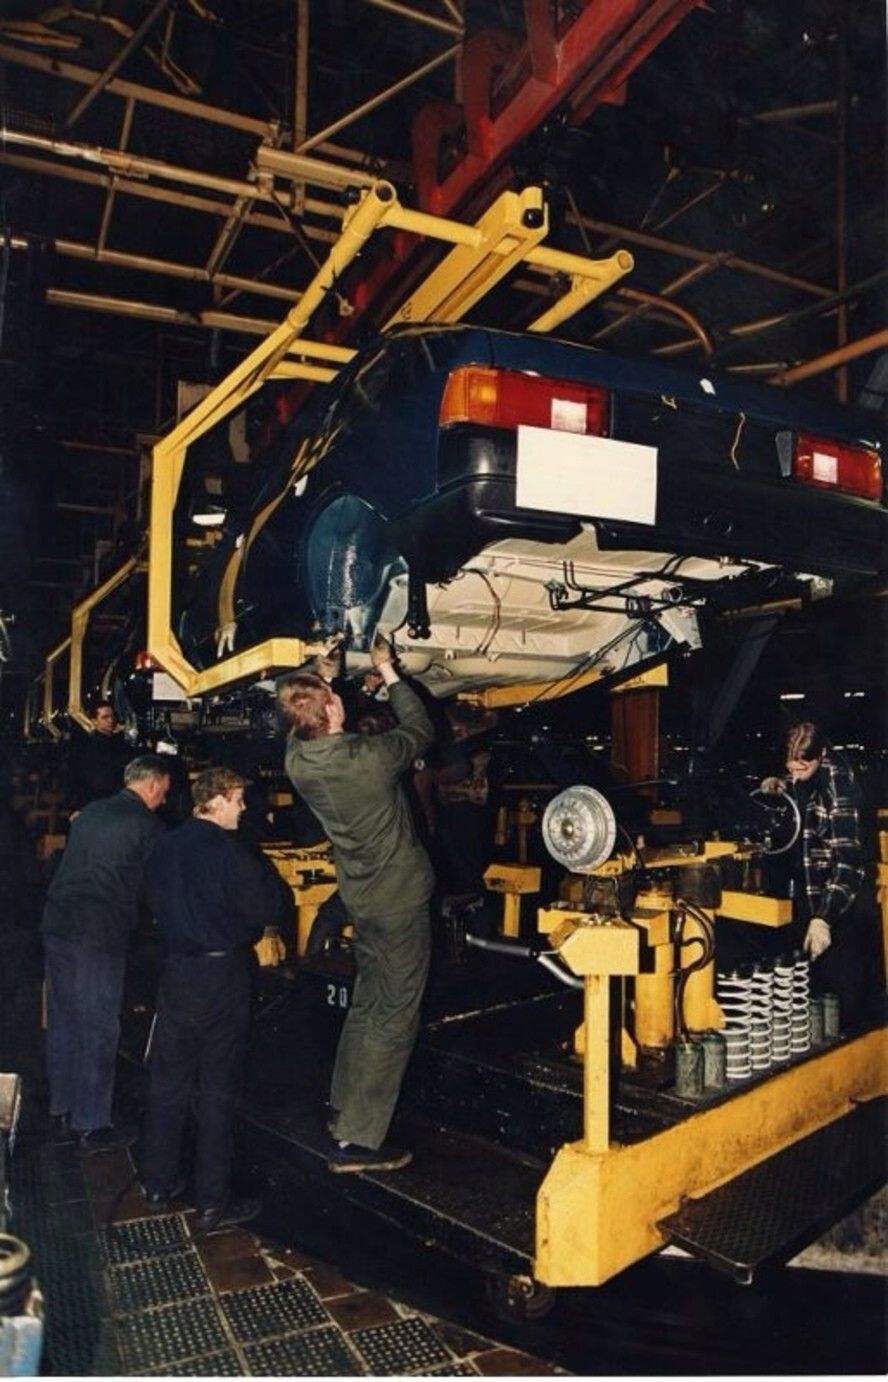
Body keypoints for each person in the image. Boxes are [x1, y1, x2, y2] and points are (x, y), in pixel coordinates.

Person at [277, 633, 435, 1174]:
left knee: (369, 1004)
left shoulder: (300, 762)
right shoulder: (367, 759)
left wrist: (325, 671)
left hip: (363, 898)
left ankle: (343, 1112)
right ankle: (360, 1140)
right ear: (332, 710)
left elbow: (302, 723)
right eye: (332, 696)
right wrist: (389, 670)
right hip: (398, 900)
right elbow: (420, 731)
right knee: (395, 1014)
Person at [139, 767, 283, 1230]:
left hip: (177, 972)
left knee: (168, 1083)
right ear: (216, 800)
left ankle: (156, 1184)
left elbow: (149, 902)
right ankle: (211, 1204)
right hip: (222, 975)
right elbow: (267, 908)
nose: (243, 808)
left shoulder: (163, 845)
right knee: (217, 1090)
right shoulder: (232, 851)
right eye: (238, 800)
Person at [42, 754, 171, 1153]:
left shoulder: (92, 812)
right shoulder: (147, 825)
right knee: (97, 1027)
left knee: (64, 1019)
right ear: (152, 785)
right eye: (164, 793)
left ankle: (61, 1109)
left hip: (58, 924)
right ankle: (91, 1124)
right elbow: (159, 884)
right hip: (96, 934)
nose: (164, 801)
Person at [764, 721, 871, 1021]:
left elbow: (850, 863)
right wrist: (781, 785)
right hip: (810, 893)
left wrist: (824, 918)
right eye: (791, 769)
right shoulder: (802, 772)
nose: (796, 776)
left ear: (821, 755)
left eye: (803, 769)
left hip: (842, 903)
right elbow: (800, 785)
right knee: (810, 993)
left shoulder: (839, 784)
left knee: (843, 999)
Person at [66, 700, 135, 813]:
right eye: (105, 717)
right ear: (94, 721)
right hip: (101, 797)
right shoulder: (91, 745)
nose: (110, 720)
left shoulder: (117, 741)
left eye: (112, 716)